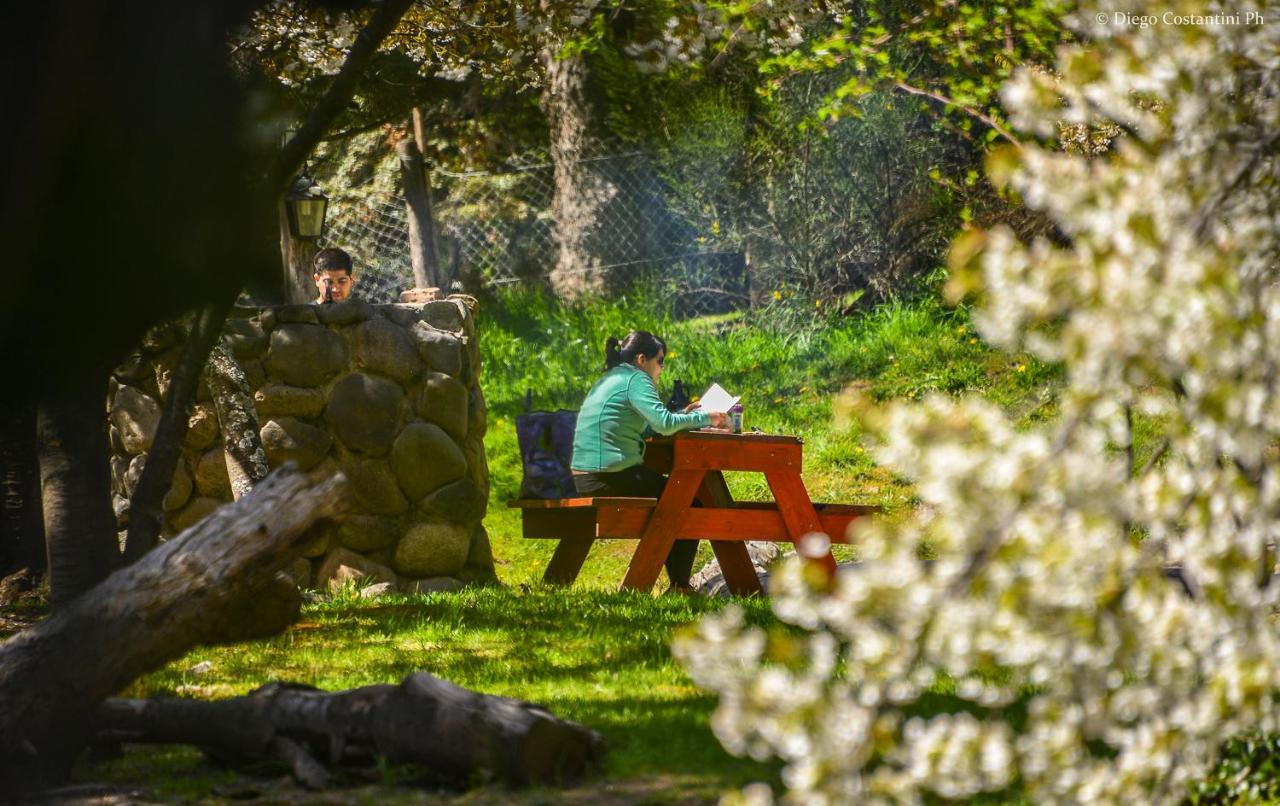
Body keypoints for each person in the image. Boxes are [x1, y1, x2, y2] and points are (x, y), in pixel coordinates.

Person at [571, 330, 729, 592]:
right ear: (642, 359)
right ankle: (680, 586)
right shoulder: (636, 379)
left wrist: (682, 415)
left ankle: (679, 585)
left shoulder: (614, 377)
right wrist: (708, 418)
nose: (662, 369)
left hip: (588, 475)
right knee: (688, 500)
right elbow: (664, 425)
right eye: (661, 361)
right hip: (608, 476)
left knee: (678, 497)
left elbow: (646, 428)